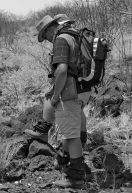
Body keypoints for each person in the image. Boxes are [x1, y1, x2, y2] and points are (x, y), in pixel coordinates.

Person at [25, 14, 90, 170]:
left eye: (45, 36)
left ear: (49, 29)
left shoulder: (61, 39)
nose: (47, 40)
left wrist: (55, 96)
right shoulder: (76, 36)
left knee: (71, 136)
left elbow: (61, 71)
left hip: (71, 91)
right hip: (84, 88)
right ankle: (63, 161)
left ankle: (76, 175)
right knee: (73, 131)